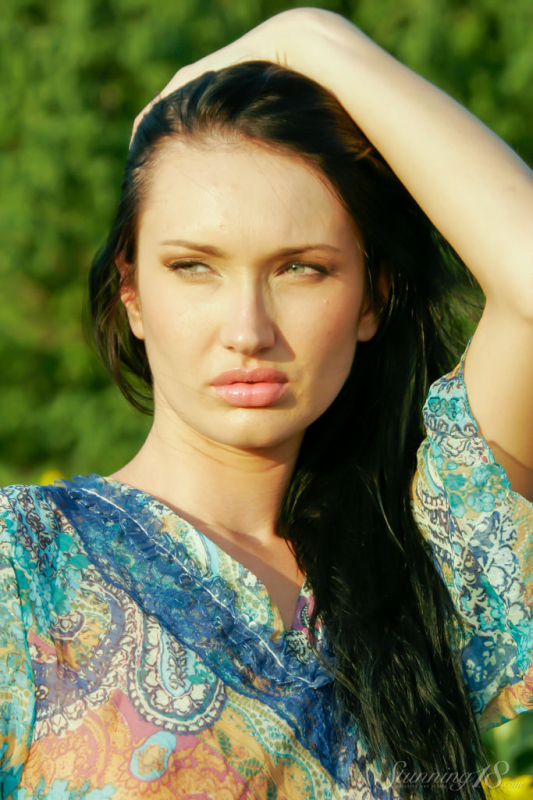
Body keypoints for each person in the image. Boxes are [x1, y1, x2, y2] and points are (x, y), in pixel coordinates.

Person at [1, 7, 532, 799]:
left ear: (370, 299)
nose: (247, 331)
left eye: (301, 269)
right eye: (193, 267)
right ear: (132, 294)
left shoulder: (421, 567)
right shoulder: (23, 567)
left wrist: (312, 37)